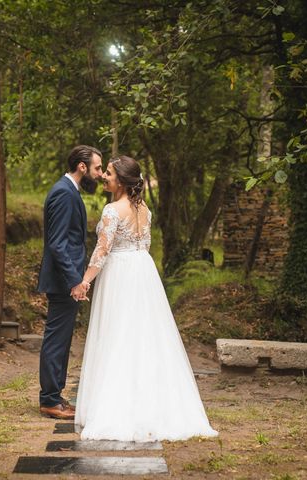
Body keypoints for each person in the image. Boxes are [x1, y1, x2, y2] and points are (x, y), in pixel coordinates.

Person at [74, 155, 218, 441]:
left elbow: (102, 252)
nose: (105, 177)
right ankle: (152, 403)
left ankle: (117, 408)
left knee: (117, 337)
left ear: (124, 181)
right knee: (145, 337)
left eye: (111, 174)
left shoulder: (112, 211)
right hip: (143, 272)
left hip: (119, 275)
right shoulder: (145, 210)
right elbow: (146, 245)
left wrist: (84, 282)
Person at [37, 145, 103, 420]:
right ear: (82, 166)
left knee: (62, 341)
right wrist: (75, 281)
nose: (100, 174)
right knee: (56, 340)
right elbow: (58, 244)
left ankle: (56, 397)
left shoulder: (69, 191)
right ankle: (49, 400)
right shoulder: (64, 194)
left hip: (66, 280)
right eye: (98, 168)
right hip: (64, 281)